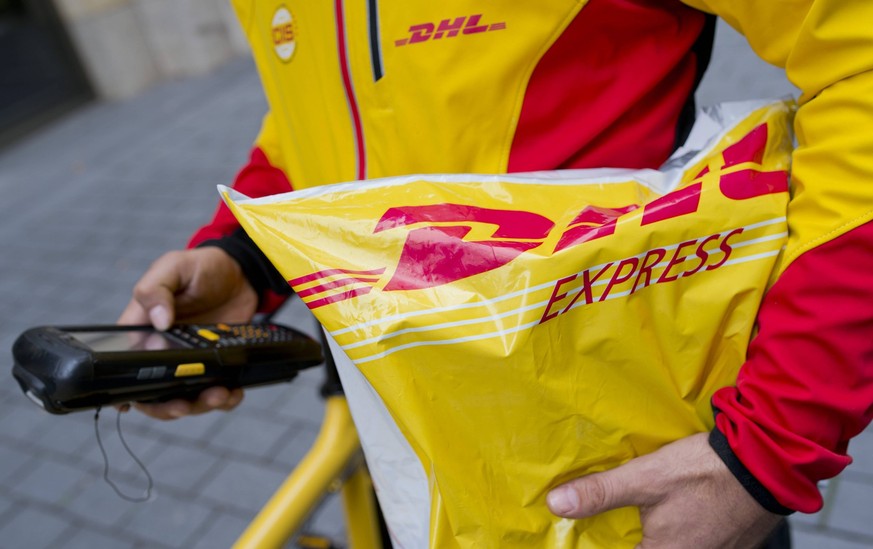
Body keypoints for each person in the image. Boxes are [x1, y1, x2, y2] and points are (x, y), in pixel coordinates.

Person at [119, 0, 873, 547]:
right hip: (407, 429)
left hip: (631, 456)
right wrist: (244, 258)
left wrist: (769, 443)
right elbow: (321, 107)